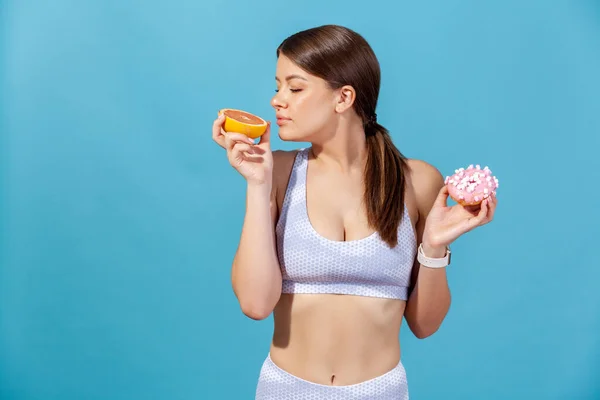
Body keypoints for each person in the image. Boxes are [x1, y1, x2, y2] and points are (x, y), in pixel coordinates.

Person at [212, 24, 497, 400]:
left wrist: (433, 247)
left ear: (343, 97)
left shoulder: (417, 182)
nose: (276, 100)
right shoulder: (278, 172)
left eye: (295, 88)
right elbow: (255, 304)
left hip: (381, 391)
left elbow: (425, 325)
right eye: (278, 86)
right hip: (285, 389)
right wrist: (257, 184)